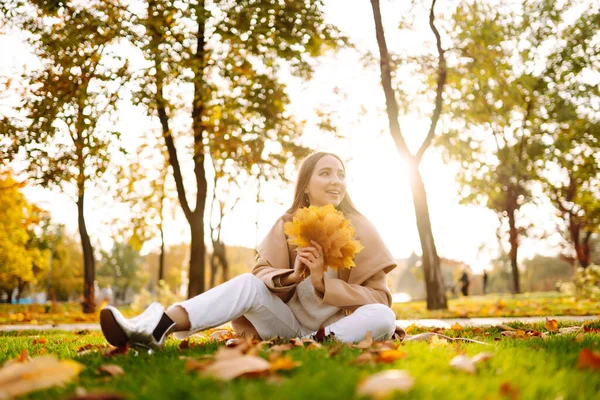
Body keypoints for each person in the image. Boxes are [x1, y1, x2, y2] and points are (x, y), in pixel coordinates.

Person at [99, 152, 398, 350]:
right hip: (288, 324)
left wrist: (323, 283)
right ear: (306, 185)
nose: (336, 181)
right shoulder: (286, 224)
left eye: (340, 174)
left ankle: (313, 344)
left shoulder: (362, 228)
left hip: (337, 329)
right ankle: (156, 327)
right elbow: (261, 274)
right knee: (246, 283)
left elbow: (380, 299)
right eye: (325, 173)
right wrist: (292, 276)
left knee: (383, 316)